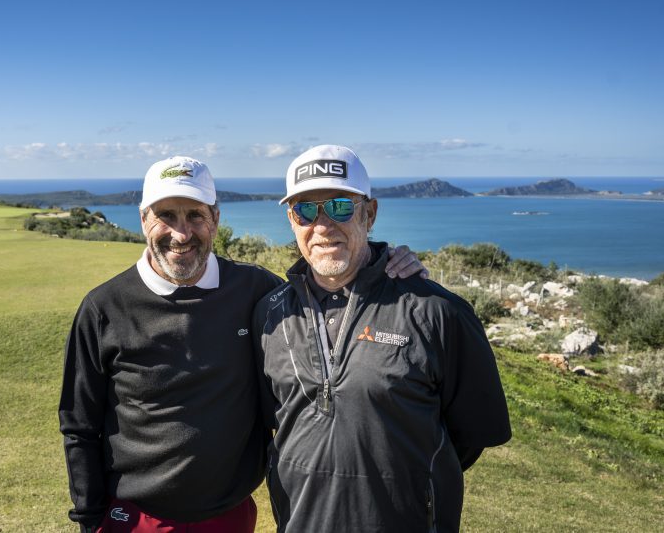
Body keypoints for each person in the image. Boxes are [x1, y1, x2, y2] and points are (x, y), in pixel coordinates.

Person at [59, 156, 427, 533]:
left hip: (230, 516)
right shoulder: (103, 307)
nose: (181, 234)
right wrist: (90, 519)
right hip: (135, 518)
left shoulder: (256, 291)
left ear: (215, 220)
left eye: (195, 216)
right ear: (144, 221)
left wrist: (386, 265)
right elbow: (79, 425)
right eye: (166, 215)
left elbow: (333, 286)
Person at [253, 145, 512, 533]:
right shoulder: (270, 314)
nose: (322, 225)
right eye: (306, 210)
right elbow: (272, 419)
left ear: (369, 213)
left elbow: (470, 435)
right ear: (292, 220)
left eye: (340, 207)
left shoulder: (438, 311)